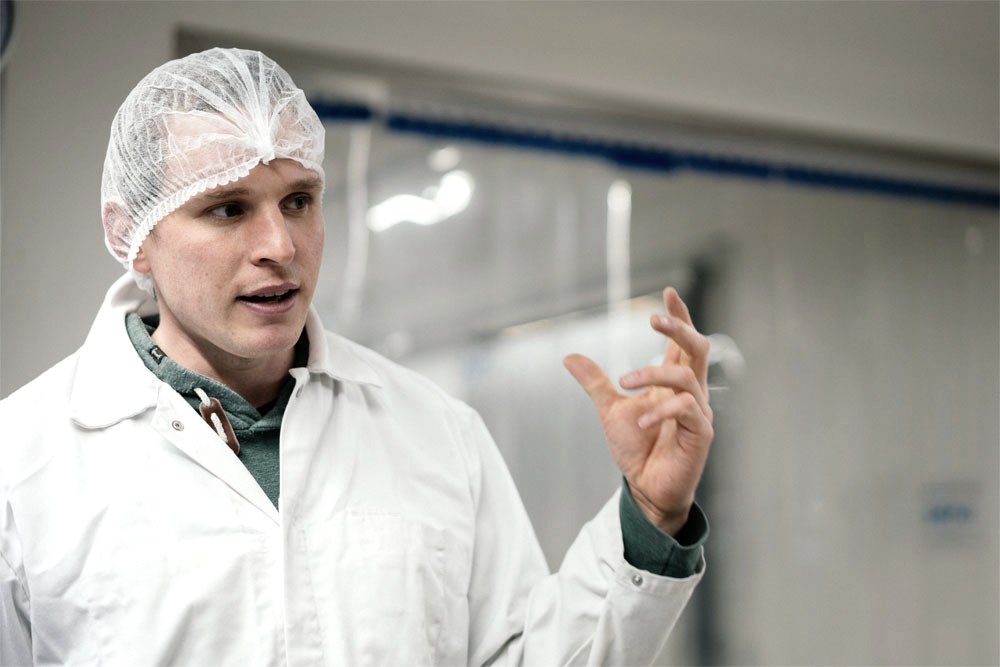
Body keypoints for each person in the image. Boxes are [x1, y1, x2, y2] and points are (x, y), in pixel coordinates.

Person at [0, 48, 713, 666]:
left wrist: (653, 515)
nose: (280, 245)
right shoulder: (23, 462)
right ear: (135, 235)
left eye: (299, 200)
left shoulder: (437, 432)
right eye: (228, 208)